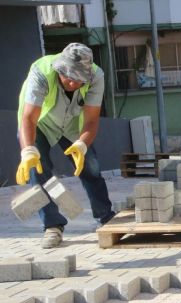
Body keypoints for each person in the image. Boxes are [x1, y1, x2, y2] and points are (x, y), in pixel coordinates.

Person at [15, 43, 115, 249]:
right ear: (60, 68)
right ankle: (52, 226)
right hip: (41, 123)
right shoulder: (41, 72)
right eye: (69, 76)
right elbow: (29, 118)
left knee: (91, 167)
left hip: (72, 124)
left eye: (79, 79)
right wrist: (28, 151)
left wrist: (81, 145)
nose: (73, 82)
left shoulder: (96, 76)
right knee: (38, 169)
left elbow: (91, 121)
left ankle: (106, 217)